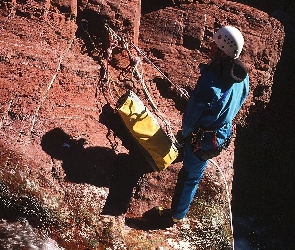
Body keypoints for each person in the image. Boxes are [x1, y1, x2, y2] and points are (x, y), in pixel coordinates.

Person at [170, 26, 250, 222]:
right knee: (195, 173)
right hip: (221, 135)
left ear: (222, 51)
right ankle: (178, 214)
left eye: (215, 45)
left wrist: (185, 134)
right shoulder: (243, 77)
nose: (211, 47)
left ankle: (175, 217)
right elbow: (239, 101)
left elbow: (192, 115)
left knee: (189, 176)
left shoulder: (210, 81)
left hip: (202, 139)